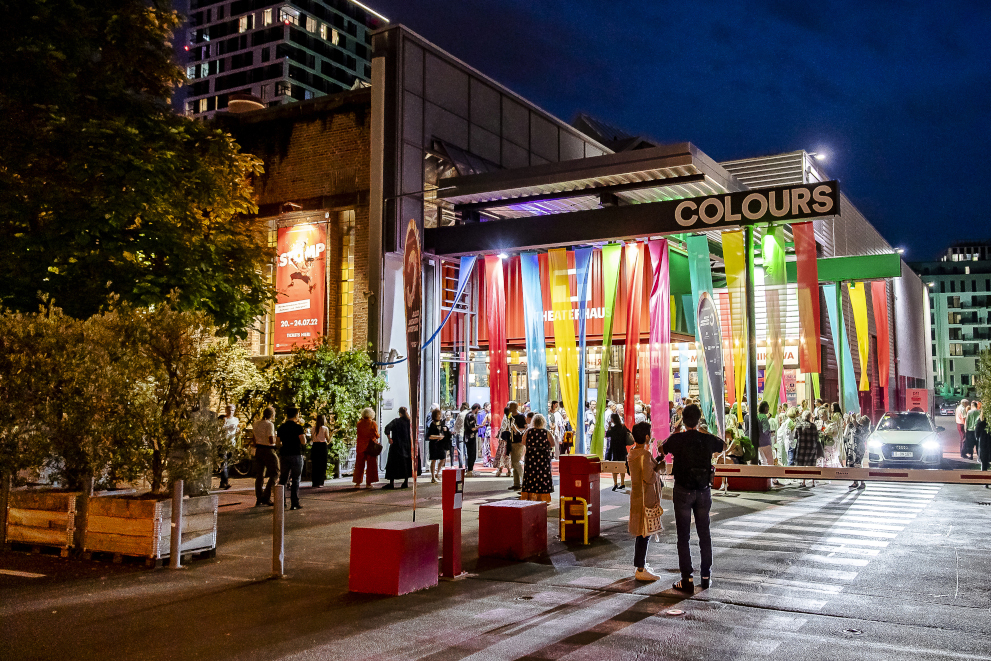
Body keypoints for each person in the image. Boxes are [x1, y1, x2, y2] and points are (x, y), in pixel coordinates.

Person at [662, 404, 725, 591]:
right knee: (704, 534)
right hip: (703, 490)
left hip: (682, 490)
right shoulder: (706, 439)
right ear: (699, 420)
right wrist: (706, 433)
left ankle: (687, 579)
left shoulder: (677, 439)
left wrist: (675, 431)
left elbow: (662, 448)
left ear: (683, 419)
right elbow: (723, 445)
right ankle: (705, 576)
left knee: (683, 536)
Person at [628, 421, 664, 581]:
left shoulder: (633, 453)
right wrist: (659, 468)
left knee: (641, 533)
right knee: (644, 533)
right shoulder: (644, 455)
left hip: (637, 496)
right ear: (647, 437)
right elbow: (649, 477)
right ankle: (641, 568)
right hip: (645, 498)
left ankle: (640, 564)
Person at [277, 407, 307, 510]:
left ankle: (282, 501)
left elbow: (278, 443)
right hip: (296, 454)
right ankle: (294, 502)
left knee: (283, 479)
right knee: (296, 479)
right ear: (296, 415)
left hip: (284, 454)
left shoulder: (281, 427)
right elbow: (303, 441)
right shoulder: (298, 427)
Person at [520, 414, 554, 502]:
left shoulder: (528, 432)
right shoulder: (546, 432)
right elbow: (553, 443)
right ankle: (542, 496)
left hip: (531, 458)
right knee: (543, 476)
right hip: (543, 458)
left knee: (531, 475)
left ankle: (530, 495)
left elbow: (523, 442)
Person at [252, 407, 279, 507]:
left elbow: (254, 438)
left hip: (259, 449)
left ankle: (259, 497)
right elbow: (271, 440)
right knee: (275, 472)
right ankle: (266, 496)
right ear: (272, 415)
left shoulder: (256, 423)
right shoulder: (269, 424)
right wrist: (276, 439)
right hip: (268, 449)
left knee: (260, 474)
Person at [383, 407, 412, 489]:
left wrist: (389, 438)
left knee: (393, 464)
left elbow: (387, 428)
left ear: (400, 413)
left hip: (396, 445)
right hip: (407, 445)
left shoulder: (396, 421)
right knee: (406, 464)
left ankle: (391, 483)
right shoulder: (409, 422)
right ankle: (405, 482)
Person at [792, 411, 824, 487]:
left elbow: (795, 437)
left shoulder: (798, 426)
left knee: (803, 465)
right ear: (810, 417)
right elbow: (817, 437)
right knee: (812, 465)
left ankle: (803, 482)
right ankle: (813, 481)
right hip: (812, 447)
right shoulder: (813, 426)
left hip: (801, 448)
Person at [354, 408, 380, 488]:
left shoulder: (359, 423)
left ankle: (357, 483)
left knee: (359, 465)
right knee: (371, 465)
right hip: (370, 446)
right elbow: (376, 435)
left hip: (360, 446)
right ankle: (368, 483)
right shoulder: (373, 423)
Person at [605, 412, 631, 491]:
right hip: (622, 449)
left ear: (613, 420)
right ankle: (622, 483)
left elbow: (607, 434)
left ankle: (615, 483)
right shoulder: (623, 427)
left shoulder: (613, 429)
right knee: (622, 465)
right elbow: (629, 432)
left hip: (614, 449)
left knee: (614, 466)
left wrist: (609, 426)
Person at [217, 405, 239, 490]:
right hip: (223, 442)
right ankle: (226, 482)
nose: (230, 412)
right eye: (229, 410)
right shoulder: (222, 419)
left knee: (229, 463)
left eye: (232, 410)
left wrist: (237, 431)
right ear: (226, 411)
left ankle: (223, 482)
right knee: (224, 463)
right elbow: (219, 430)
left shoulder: (236, 420)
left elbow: (236, 430)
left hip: (231, 443)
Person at [847, 415, 870, 490]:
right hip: (853, 447)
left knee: (858, 465)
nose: (860, 419)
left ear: (864, 421)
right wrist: (849, 418)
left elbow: (856, 425)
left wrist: (854, 418)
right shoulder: (858, 427)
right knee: (852, 465)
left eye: (861, 419)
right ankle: (855, 482)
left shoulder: (865, 429)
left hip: (859, 448)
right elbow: (850, 425)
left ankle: (862, 483)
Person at [508, 401, 527, 491]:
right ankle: (516, 483)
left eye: (510, 406)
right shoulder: (510, 416)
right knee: (513, 462)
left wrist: (516, 429)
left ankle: (524, 480)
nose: (508, 408)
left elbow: (525, 428)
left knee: (516, 461)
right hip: (511, 441)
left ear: (515, 407)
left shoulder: (521, 416)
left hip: (518, 441)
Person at [310, 414, 331, 488]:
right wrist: (332, 434)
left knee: (315, 464)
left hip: (315, 446)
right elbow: (328, 440)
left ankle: (314, 482)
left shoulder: (313, 428)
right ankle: (320, 482)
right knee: (322, 464)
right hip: (322, 446)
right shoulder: (325, 428)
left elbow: (312, 438)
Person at [427, 408, 447, 483]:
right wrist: (438, 437)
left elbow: (444, 432)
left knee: (443, 458)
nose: (440, 416)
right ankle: (432, 477)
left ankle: (437, 473)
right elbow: (429, 436)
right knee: (433, 460)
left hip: (441, 444)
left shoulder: (442, 423)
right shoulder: (432, 424)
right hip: (434, 444)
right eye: (438, 414)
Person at [493, 406, 512, 477]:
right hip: (508, 438)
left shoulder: (506, 418)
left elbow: (503, 428)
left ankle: (500, 470)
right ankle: (508, 470)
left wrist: (500, 435)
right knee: (507, 454)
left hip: (504, 438)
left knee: (502, 454)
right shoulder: (510, 418)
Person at [755, 401, 775, 467]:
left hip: (758, 441)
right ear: (765, 408)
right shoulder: (764, 417)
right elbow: (765, 430)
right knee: (770, 460)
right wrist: (771, 432)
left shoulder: (758, 416)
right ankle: (770, 473)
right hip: (765, 442)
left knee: (763, 460)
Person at [975, 407, 990, 487]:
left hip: (983, 443)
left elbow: (977, 434)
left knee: (984, 463)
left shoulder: (980, 421)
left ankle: (985, 482)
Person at [451, 403, 469, 469]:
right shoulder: (469, 414)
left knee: (460, 451)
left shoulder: (461, 414)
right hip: (467, 434)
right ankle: (467, 466)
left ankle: (461, 466)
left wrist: (455, 432)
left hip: (460, 433)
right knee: (466, 451)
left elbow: (456, 425)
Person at [463, 404, 480, 476]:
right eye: (478, 409)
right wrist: (479, 427)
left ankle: (470, 469)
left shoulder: (468, 415)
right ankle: (470, 470)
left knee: (470, 453)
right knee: (472, 454)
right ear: (476, 408)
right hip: (471, 437)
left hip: (468, 437)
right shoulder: (471, 416)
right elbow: (472, 428)